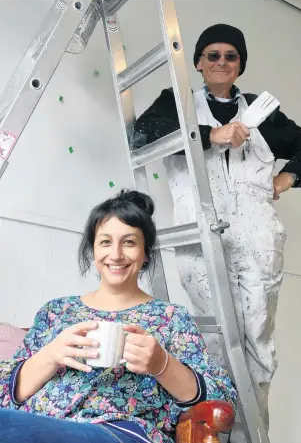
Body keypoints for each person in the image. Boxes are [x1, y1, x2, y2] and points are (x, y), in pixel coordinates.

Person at [130, 23, 301, 440]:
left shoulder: (262, 110)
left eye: (231, 56)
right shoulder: (177, 103)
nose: (221, 62)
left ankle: (250, 436)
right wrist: (209, 135)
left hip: (258, 240)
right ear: (198, 63)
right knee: (214, 344)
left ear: (240, 65)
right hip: (201, 235)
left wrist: (288, 178)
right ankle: (210, 436)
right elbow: (141, 136)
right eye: (213, 55)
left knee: (258, 344)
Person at [0, 189, 236, 443]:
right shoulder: (55, 311)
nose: (116, 254)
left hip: (123, 432)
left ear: (146, 252)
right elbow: (6, 391)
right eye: (105, 242)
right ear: (92, 249)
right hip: (36, 424)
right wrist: (51, 354)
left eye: (129, 242)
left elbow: (220, 398)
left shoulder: (170, 317)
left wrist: (162, 365)